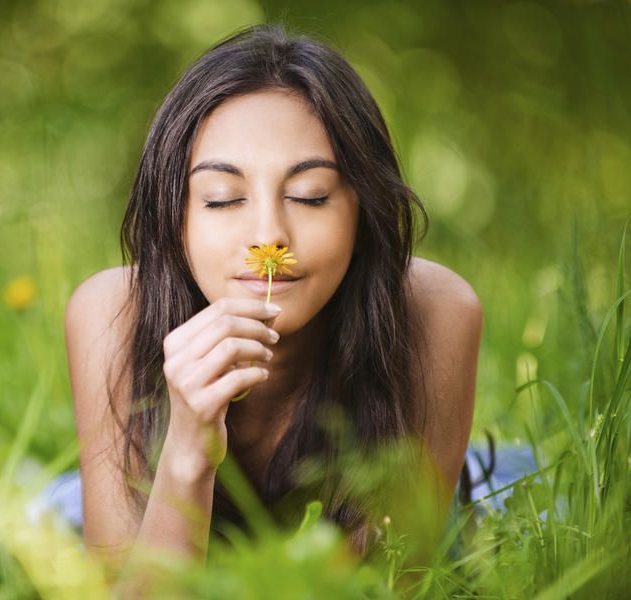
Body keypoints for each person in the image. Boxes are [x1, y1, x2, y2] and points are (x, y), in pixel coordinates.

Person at [61, 23, 486, 586]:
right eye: (222, 198)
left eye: (310, 196)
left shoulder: (437, 311)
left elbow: (391, 583)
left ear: (364, 208)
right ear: (174, 215)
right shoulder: (111, 312)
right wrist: (187, 451)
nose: (268, 235)